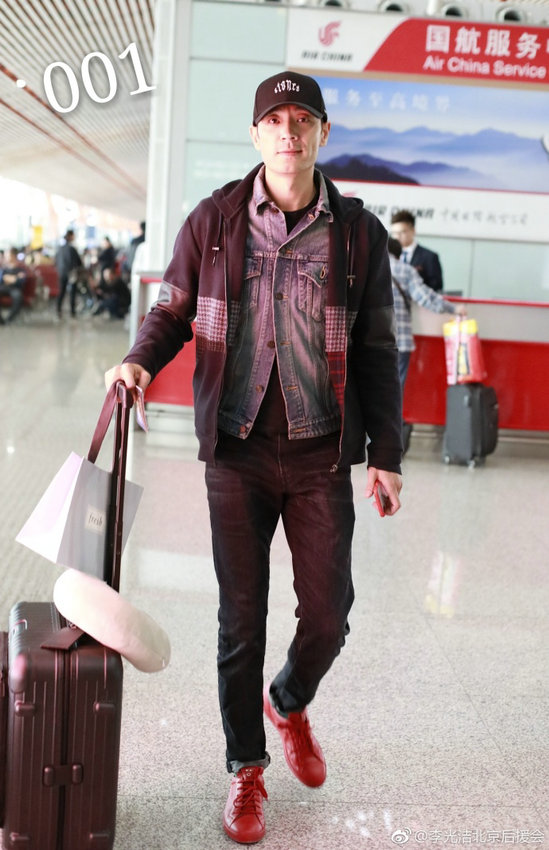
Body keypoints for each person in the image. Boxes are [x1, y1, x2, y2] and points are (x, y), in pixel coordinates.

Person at [105, 71, 403, 845]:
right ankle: (245, 769)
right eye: (275, 120)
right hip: (235, 451)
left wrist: (387, 452)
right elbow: (172, 309)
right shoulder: (214, 221)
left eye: (303, 120)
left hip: (318, 451)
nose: (288, 132)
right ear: (255, 134)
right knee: (240, 618)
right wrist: (138, 360)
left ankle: (289, 698)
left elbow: (377, 348)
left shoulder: (357, 233)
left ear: (322, 134)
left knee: (328, 614)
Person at [388, 237, 464, 452]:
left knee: (368, 389)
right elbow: (426, 297)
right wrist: (454, 309)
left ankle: (366, 439)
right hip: (399, 341)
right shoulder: (405, 270)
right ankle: (390, 442)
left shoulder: (365, 267)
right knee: (394, 391)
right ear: (398, 253)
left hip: (367, 342)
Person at [390, 209, 443, 292]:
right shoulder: (387, 257)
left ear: (413, 231)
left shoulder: (429, 257)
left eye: (402, 232)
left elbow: (436, 288)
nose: (397, 237)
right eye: (394, 233)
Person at [55, 230, 82, 318]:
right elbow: (78, 262)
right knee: (72, 293)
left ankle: (59, 310)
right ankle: (72, 312)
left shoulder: (60, 249)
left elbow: (56, 261)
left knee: (62, 291)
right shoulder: (72, 249)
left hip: (61, 272)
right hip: (71, 273)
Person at [0, 248, 27, 324]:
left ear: (13, 256)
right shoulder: (4, 268)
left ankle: (9, 319)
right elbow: (1, 279)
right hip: (3, 287)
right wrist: (15, 278)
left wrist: (8, 278)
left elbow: (21, 281)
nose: (6, 257)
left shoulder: (21, 268)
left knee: (18, 297)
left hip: (15, 288)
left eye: (8, 255)